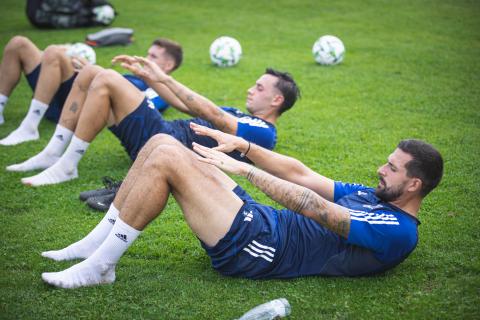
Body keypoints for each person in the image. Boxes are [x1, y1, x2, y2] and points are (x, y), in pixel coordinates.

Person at [40, 125, 443, 289]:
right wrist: (245, 147)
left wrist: (242, 170)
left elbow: (312, 206)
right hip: (262, 224)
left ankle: (101, 267)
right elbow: (302, 175)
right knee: (163, 143)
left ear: (414, 184)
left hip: (263, 251)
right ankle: (94, 245)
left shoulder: (399, 232)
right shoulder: (375, 194)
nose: (380, 169)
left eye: (391, 168)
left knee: (167, 160)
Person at [11, 55, 300, 187]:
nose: (251, 89)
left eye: (260, 88)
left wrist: (164, 77)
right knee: (92, 73)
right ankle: (54, 152)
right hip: (160, 137)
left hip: (167, 141)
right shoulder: (238, 112)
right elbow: (177, 103)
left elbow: (214, 116)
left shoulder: (265, 133)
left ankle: (66, 165)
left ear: (277, 101)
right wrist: (152, 77)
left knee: (105, 77)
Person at [0, 36, 180, 146]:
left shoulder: (163, 92)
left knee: (54, 53)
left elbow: (136, 103)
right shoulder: (132, 75)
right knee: (20, 44)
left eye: (153, 56)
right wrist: (70, 53)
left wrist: (92, 72)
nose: (145, 59)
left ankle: (30, 127)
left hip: (79, 105)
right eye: (147, 54)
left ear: (168, 65)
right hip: (66, 88)